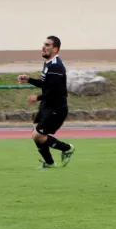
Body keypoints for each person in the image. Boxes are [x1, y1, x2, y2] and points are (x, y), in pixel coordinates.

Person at [17, 36, 75, 168]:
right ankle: (49, 163)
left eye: (48, 45)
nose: (44, 47)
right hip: (47, 105)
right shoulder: (49, 63)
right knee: (35, 133)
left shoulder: (56, 66)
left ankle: (67, 148)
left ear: (55, 49)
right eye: (44, 44)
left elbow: (55, 91)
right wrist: (29, 79)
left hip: (56, 108)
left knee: (38, 135)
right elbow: (45, 84)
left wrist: (37, 97)